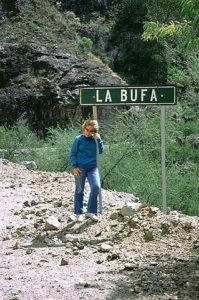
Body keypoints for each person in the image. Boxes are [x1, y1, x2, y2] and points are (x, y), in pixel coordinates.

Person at [70, 119, 104, 222]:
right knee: (79, 190)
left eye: (91, 131)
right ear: (84, 128)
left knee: (96, 187)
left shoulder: (95, 139)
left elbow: (101, 151)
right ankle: (78, 213)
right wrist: (74, 167)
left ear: (94, 131)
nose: (88, 132)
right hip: (80, 168)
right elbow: (72, 154)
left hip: (92, 168)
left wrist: (99, 140)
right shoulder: (78, 139)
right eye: (87, 129)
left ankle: (91, 211)